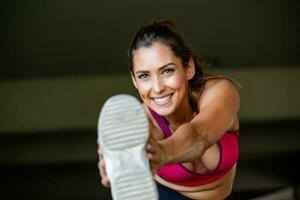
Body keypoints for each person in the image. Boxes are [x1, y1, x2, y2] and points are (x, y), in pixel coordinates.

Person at [98, 20, 240, 200]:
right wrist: (113, 166)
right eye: (144, 76)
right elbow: (122, 159)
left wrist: (161, 153)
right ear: (134, 80)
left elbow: (199, 135)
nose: (157, 88)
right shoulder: (143, 122)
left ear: (188, 68)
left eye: (167, 71)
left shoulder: (219, 92)